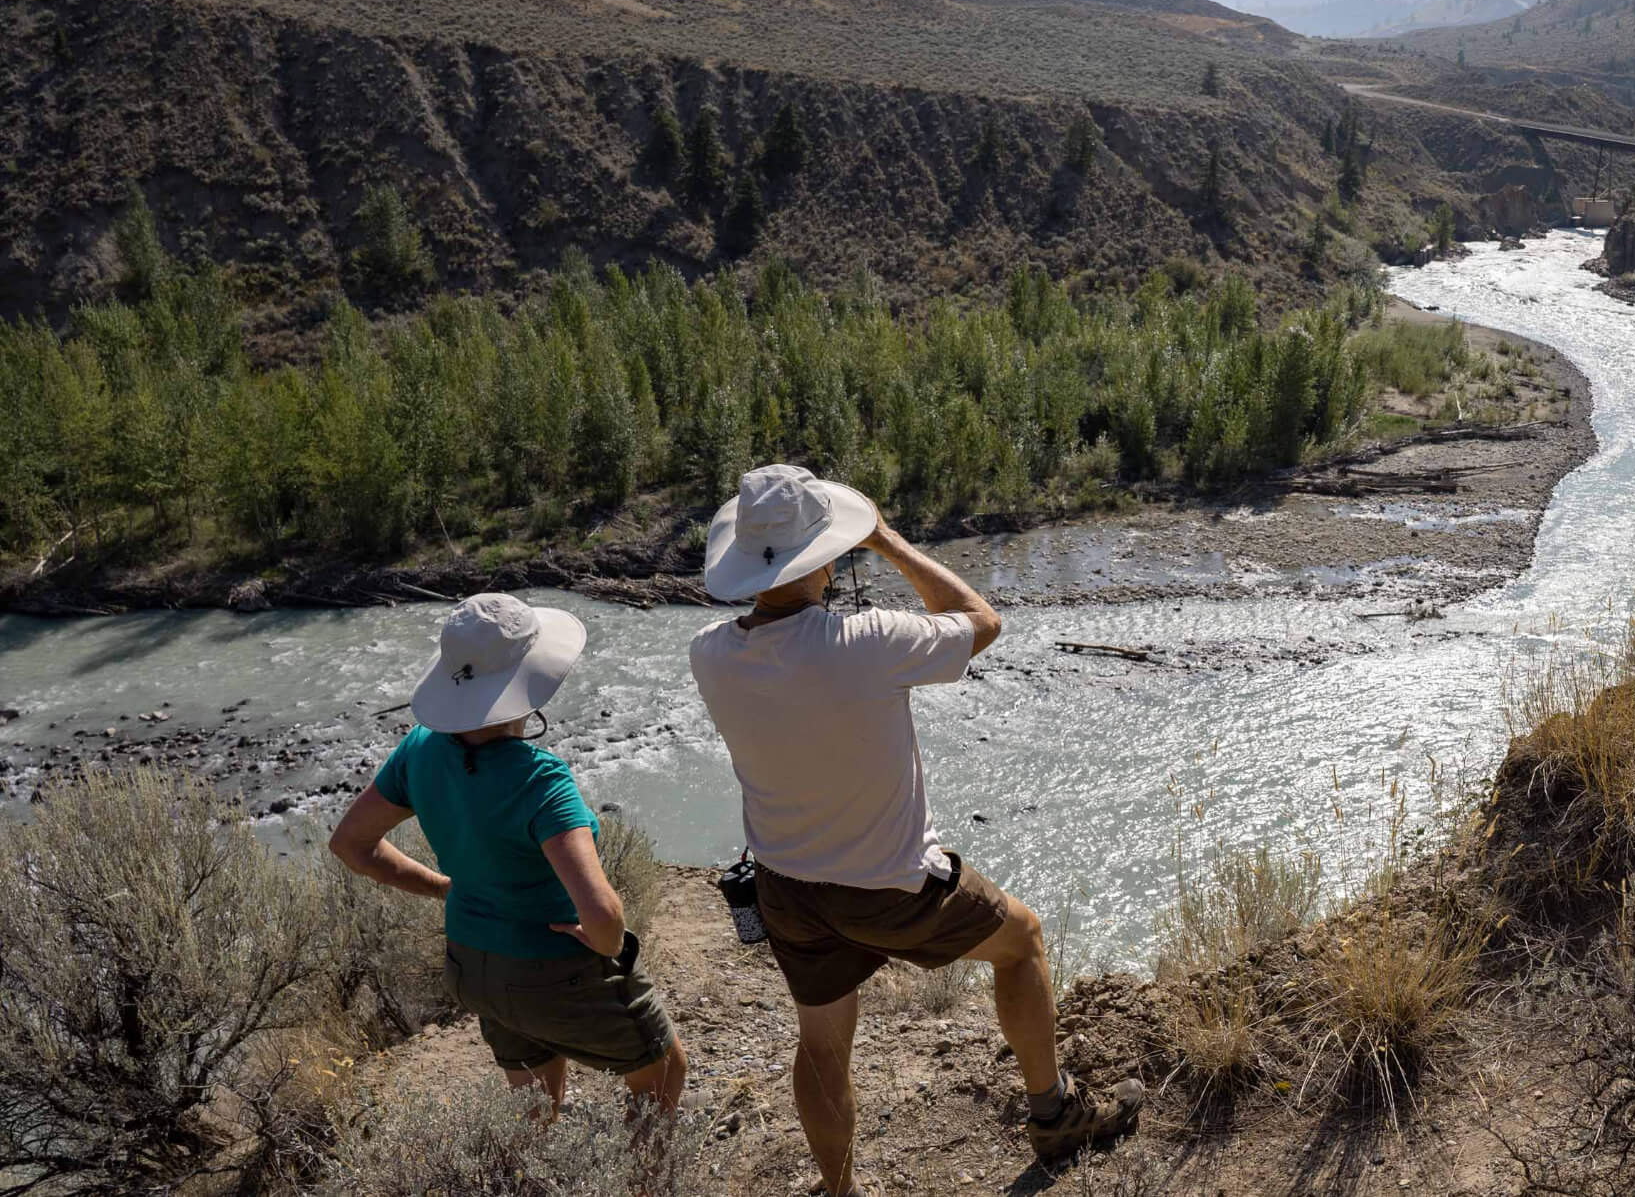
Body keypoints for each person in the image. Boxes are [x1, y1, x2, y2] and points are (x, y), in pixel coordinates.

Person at [688, 464, 1141, 1191]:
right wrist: (890, 541)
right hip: (890, 888)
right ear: (828, 556)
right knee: (1020, 940)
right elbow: (980, 620)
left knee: (823, 1047)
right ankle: (1054, 1118)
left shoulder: (710, 653)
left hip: (787, 887)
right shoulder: (869, 641)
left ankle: (839, 1190)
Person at [329, 593, 686, 1121]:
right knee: (663, 1067)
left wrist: (443, 888)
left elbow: (351, 845)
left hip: (473, 966)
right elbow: (604, 915)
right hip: (552, 969)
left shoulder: (420, 748)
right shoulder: (541, 780)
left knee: (534, 1107)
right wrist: (606, 943)